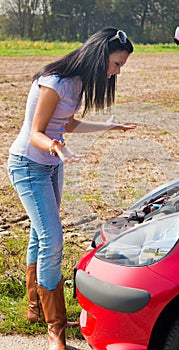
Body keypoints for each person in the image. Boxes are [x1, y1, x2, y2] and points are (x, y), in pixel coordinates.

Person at [7, 28, 136, 350]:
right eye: (117, 64)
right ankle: (56, 330)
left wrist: (108, 126)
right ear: (100, 56)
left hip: (51, 165)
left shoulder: (77, 84)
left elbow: (68, 124)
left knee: (40, 235)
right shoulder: (54, 82)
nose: (117, 72)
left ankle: (36, 308)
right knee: (52, 238)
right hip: (28, 166)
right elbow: (36, 132)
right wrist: (56, 148)